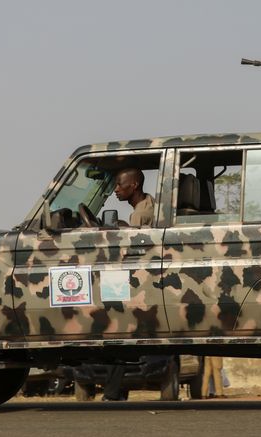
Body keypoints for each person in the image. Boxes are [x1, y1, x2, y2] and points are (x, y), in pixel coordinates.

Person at [102, 168, 157, 401]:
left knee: (114, 325)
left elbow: (135, 249)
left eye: (119, 184)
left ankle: (113, 392)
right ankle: (115, 391)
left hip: (140, 281)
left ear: (133, 186)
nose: (116, 189)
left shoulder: (140, 215)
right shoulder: (147, 206)